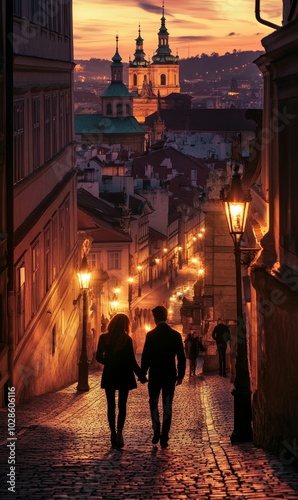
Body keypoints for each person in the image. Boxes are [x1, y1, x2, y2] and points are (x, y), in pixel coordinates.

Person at [96, 313, 147, 448]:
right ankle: (119, 433)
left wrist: (110, 362)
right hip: (124, 374)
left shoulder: (104, 338)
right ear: (125, 325)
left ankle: (112, 433)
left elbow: (98, 357)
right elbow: (131, 361)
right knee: (122, 405)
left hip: (110, 373)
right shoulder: (127, 339)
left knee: (111, 405)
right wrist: (141, 375)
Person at [141, 306, 186, 448]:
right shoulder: (175, 335)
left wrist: (143, 373)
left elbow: (145, 356)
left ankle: (156, 430)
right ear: (166, 317)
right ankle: (164, 436)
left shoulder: (151, 335)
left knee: (153, 403)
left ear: (155, 318)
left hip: (155, 375)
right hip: (169, 375)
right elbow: (181, 357)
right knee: (167, 405)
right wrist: (180, 375)